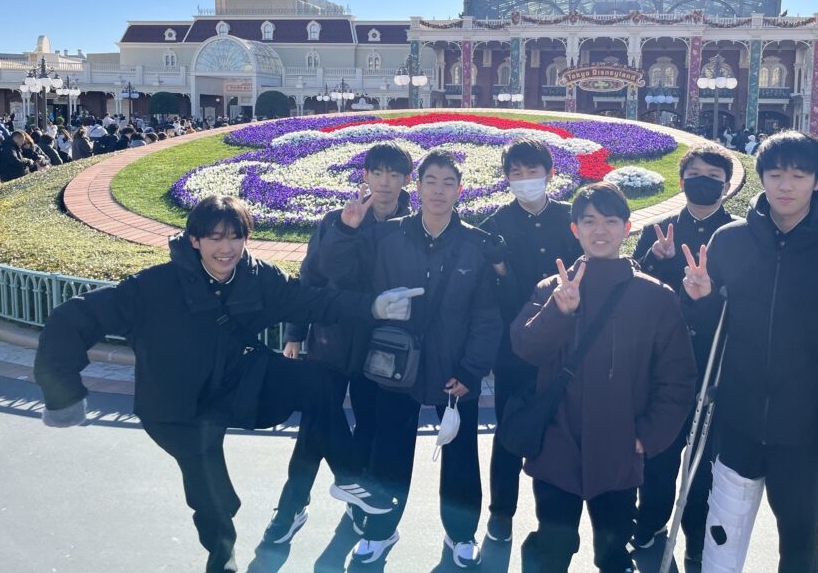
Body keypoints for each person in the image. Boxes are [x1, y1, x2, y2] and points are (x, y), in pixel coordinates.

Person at [33, 195, 417, 573]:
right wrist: (63, 394)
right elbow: (72, 318)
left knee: (319, 381)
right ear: (194, 240)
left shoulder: (257, 277)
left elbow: (311, 301)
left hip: (238, 385)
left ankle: (350, 478)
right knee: (213, 499)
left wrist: (372, 306)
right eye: (215, 237)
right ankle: (222, 562)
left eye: (235, 237)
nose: (226, 248)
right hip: (177, 408)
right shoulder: (152, 288)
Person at [680, 131, 818, 573]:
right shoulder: (731, 242)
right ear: (760, 176)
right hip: (737, 421)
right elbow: (712, 332)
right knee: (721, 539)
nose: (785, 186)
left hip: (808, 431)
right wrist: (700, 300)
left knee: (799, 544)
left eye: (799, 176)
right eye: (775, 174)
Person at [320, 149, 502, 568]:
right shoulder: (386, 235)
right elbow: (339, 273)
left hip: (455, 369)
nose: (438, 190)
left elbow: (487, 316)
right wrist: (346, 230)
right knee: (389, 451)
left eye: (448, 183)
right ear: (416, 187)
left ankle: (461, 535)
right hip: (395, 364)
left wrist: (472, 370)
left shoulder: (474, 244)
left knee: (461, 456)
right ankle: (380, 530)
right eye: (430, 181)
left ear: (460, 190)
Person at [513, 182, 696, 573]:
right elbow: (526, 348)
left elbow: (678, 379)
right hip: (557, 446)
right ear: (575, 229)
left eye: (611, 221)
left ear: (627, 228)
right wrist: (558, 312)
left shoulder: (656, 297)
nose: (600, 230)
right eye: (589, 221)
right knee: (553, 548)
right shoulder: (552, 289)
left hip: (619, 452)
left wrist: (647, 436)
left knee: (613, 555)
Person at [263, 143, 414, 547]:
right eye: (377, 173)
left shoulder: (412, 227)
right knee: (314, 429)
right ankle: (291, 505)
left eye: (394, 174)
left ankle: (358, 503)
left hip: (379, 349)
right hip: (330, 341)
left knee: (368, 427)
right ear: (365, 176)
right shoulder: (337, 220)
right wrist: (295, 334)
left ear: (406, 180)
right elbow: (311, 278)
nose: (385, 182)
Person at [630, 145, 737, 561]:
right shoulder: (658, 231)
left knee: (704, 459)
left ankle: (696, 534)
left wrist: (710, 295)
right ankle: (650, 523)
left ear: (726, 186)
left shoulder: (739, 235)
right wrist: (654, 260)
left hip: (715, 362)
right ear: (681, 180)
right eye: (695, 175)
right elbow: (634, 289)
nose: (703, 182)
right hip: (662, 362)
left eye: (713, 177)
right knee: (658, 450)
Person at [478, 137, 582, 544]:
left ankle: (550, 518)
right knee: (509, 429)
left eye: (532, 171)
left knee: (557, 431)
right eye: (516, 173)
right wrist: (501, 273)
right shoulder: (493, 225)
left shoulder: (573, 217)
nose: (524, 179)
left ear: (550, 174)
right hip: (515, 349)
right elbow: (488, 296)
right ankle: (501, 511)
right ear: (506, 179)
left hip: (564, 348)